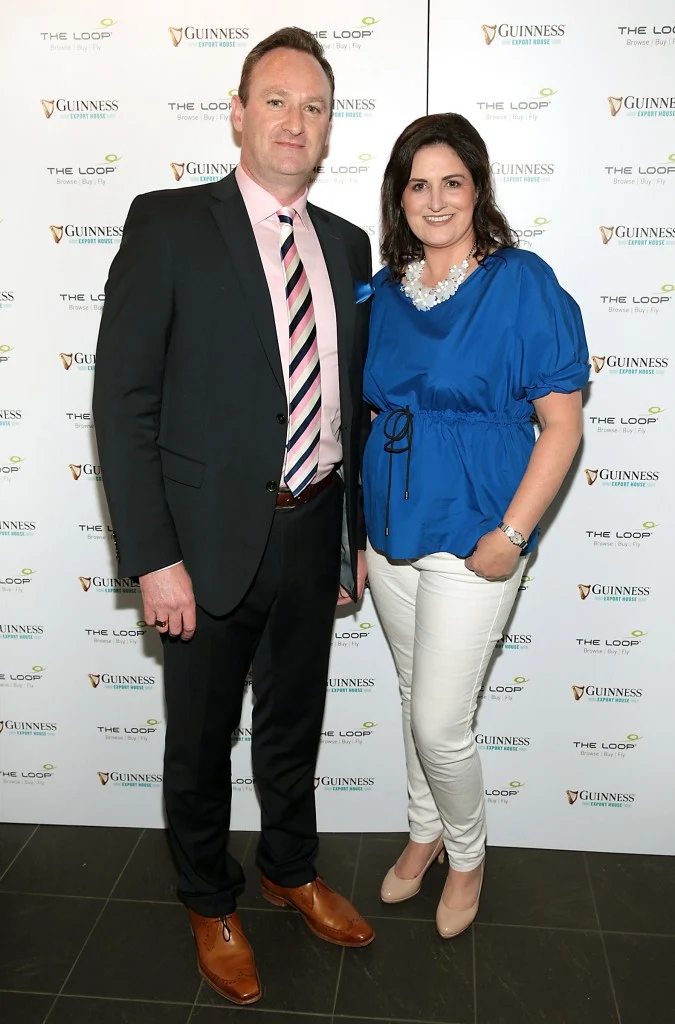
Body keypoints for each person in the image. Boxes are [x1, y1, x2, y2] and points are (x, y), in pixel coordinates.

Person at [93, 26, 374, 1006]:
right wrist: (153, 557)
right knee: (200, 739)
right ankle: (208, 899)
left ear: (329, 126)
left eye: (314, 106)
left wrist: (350, 538)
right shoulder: (169, 223)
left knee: (293, 725)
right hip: (204, 542)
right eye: (277, 100)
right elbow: (123, 401)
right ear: (239, 113)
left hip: (315, 524)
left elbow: (349, 406)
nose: (295, 121)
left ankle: (288, 868)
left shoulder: (347, 244)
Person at [362, 113, 588, 938]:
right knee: (409, 696)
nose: (434, 200)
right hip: (391, 531)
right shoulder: (383, 291)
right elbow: (370, 414)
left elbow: (561, 425)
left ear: (478, 188)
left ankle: (466, 855)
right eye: (416, 185)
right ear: (398, 198)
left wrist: (514, 534)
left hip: (478, 530)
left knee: (438, 721)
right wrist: (358, 532)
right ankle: (423, 830)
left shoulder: (520, 282)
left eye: (450, 182)